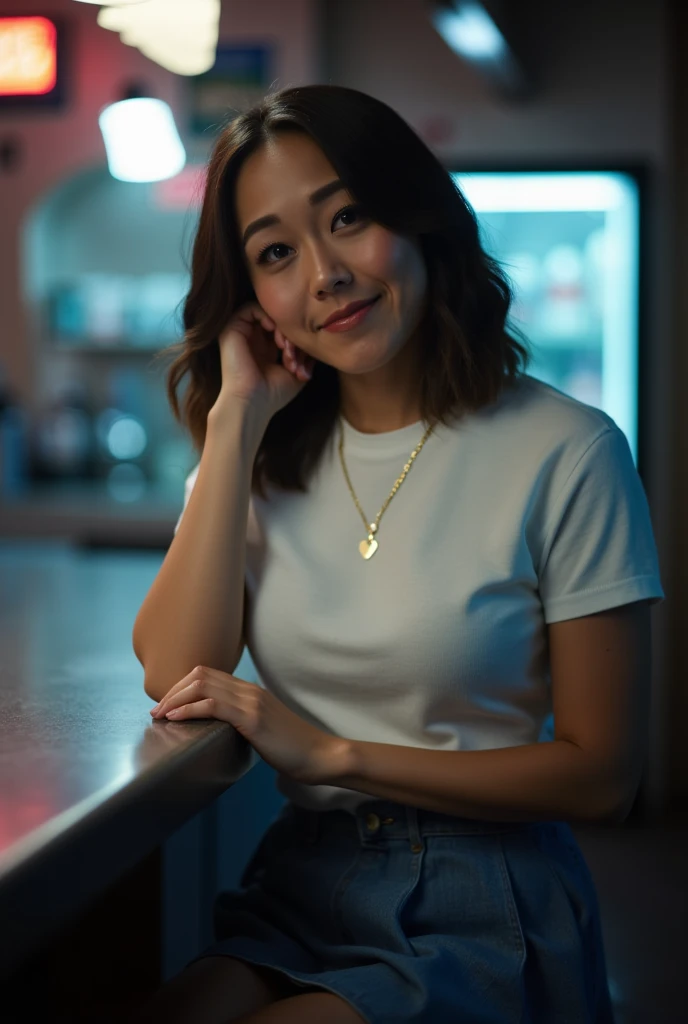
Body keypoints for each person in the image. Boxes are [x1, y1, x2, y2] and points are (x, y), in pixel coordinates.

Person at [131, 84, 665, 1024]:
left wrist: (334, 750)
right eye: (276, 254)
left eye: (349, 217)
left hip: (488, 892)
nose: (326, 274)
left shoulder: (569, 449)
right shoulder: (258, 461)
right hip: (303, 875)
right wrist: (234, 422)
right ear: (251, 297)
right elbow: (176, 669)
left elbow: (603, 775)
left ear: (419, 217)